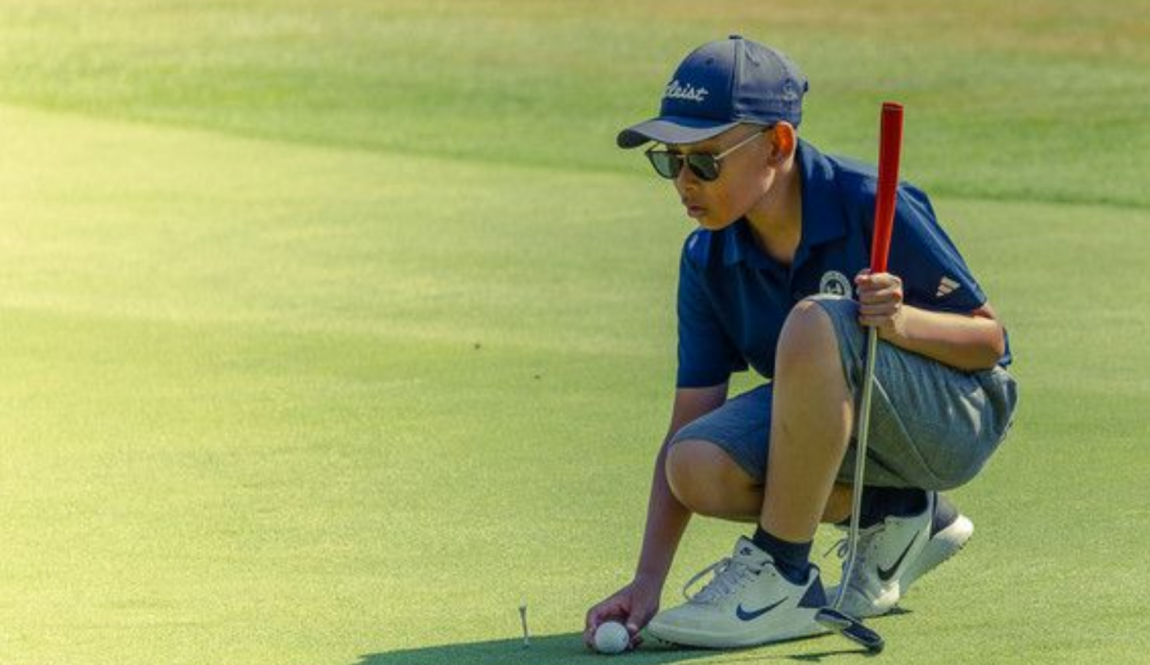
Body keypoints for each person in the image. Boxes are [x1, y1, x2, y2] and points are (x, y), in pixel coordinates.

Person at [583, 35, 1018, 650]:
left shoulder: (866, 200)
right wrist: (646, 581)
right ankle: (894, 513)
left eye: (704, 161)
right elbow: (688, 419)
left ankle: (781, 576)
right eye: (669, 160)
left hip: (957, 416)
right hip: (852, 436)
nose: (683, 182)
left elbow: (988, 342)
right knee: (694, 463)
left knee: (814, 322)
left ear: (778, 144)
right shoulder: (707, 257)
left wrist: (900, 323)